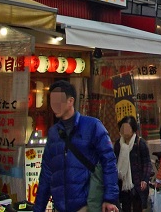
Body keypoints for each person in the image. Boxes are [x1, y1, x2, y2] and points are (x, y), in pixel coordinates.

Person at [34, 80, 119, 212]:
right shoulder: (53, 133)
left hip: (88, 204)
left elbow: (109, 161)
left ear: (70, 101)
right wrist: (38, 208)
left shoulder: (92, 126)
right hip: (61, 206)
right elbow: (46, 174)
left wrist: (110, 198)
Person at [114, 116, 153, 212]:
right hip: (122, 184)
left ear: (134, 129)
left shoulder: (140, 143)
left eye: (128, 128)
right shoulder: (118, 144)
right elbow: (114, 162)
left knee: (137, 207)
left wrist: (145, 179)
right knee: (125, 207)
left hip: (137, 184)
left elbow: (147, 162)